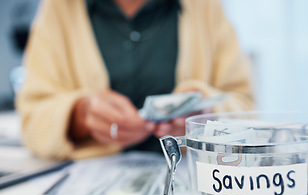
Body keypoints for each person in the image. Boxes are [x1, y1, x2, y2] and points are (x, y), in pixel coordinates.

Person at [16, 0, 254, 160]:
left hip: (191, 185)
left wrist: (207, 116)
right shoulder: (59, 10)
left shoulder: (205, 7)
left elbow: (245, 106)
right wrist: (80, 115)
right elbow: (32, 120)